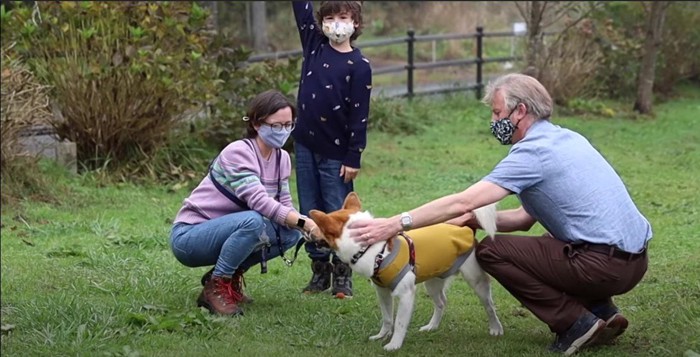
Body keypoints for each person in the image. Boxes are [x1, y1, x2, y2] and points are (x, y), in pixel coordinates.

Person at [347, 73, 652, 355]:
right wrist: (473, 220)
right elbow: (523, 218)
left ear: (519, 111)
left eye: (496, 113)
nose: (493, 121)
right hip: (634, 262)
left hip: (603, 267)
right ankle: (601, 312)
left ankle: (575, 324)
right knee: (550, 242)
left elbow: (463, 201)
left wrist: (394, 224)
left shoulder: (531, 153)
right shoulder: (567, 138)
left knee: (493, 250)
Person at [170, 90, 319, 316]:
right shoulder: (238, 152)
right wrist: (305, 222)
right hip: (190, 237)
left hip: (231, 229)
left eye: (289, 125)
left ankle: (226, 276)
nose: (284, 131)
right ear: (258, 124)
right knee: (254, 221)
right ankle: (216, 287)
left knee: (289, 233)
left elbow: (284, 204)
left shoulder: (282, 158)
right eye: (277, 125)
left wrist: (305, 227)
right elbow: (260, 202)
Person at [291, 0, 373, 298]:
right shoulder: (314, 45)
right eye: (329, 17)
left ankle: (343, 273)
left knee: (338, 210)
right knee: (309, 207)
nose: (335, 23)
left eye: (342, 17)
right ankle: (319, 270)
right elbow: (301, 8)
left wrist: (354, 155)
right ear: (321, 22)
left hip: (337, 154)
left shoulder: (360, 67)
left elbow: (359, 115)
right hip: (305, 146)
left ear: (355, 23)